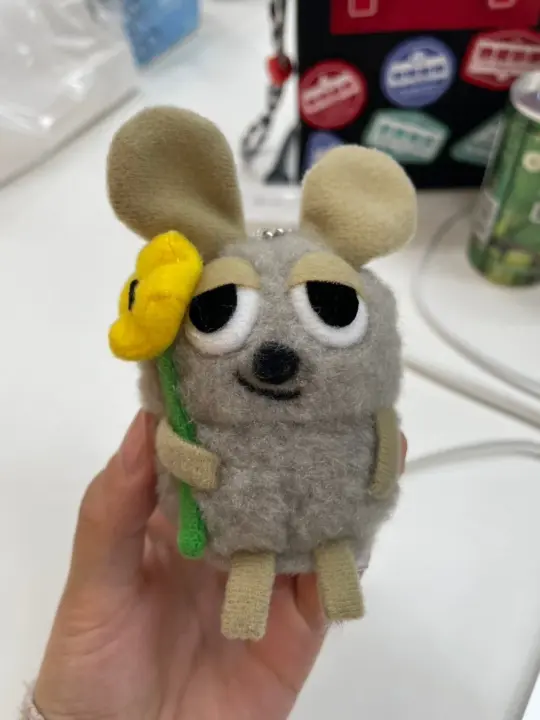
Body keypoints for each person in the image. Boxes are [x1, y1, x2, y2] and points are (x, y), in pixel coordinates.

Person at [24, 412, 407, 720]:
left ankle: (330, 564)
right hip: (245, 525)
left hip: (302, 517)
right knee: (261, 555)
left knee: (327, 550)